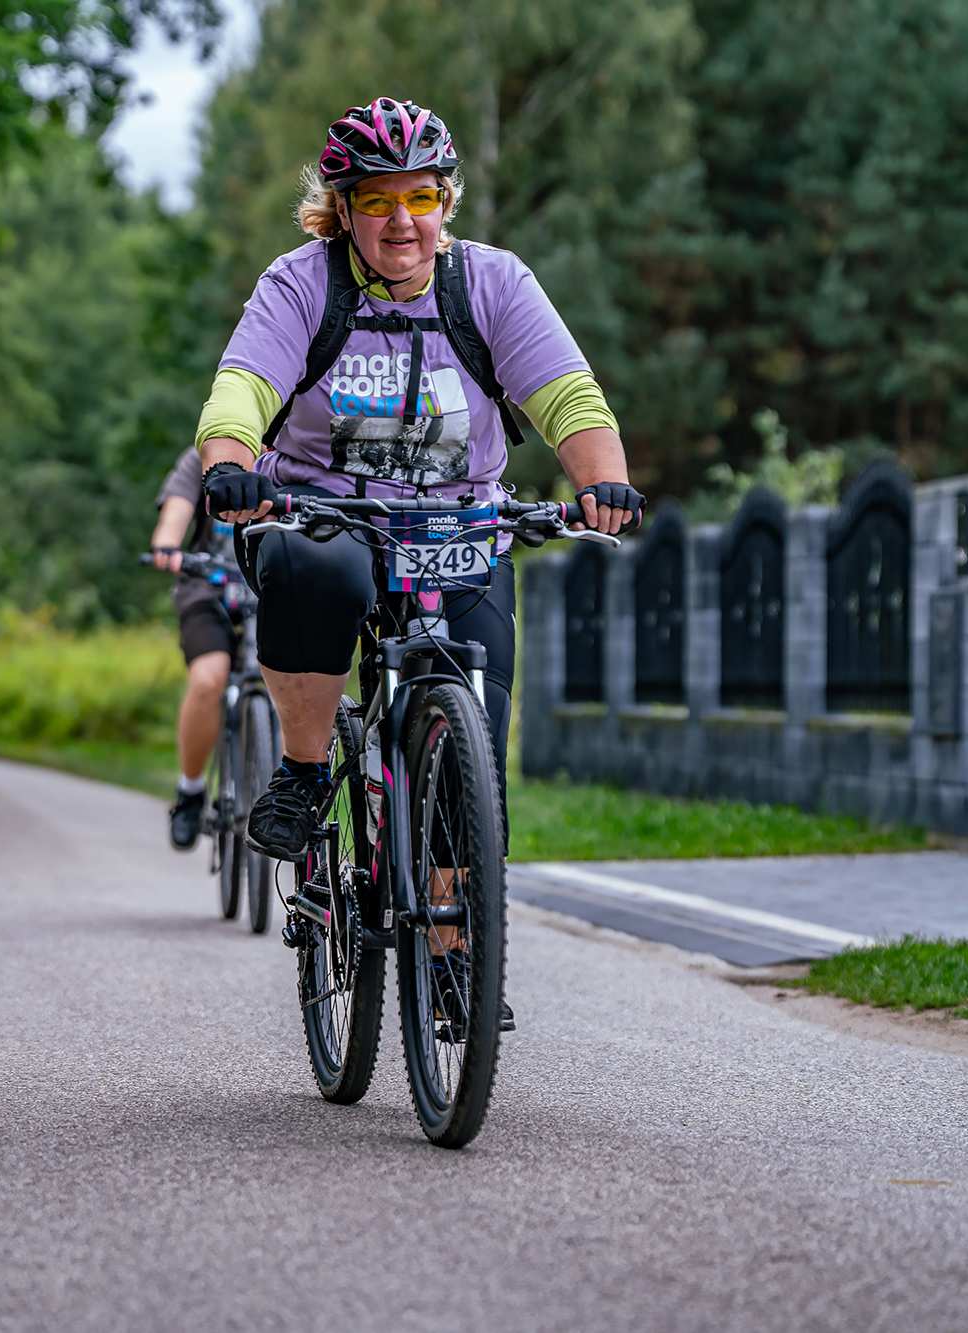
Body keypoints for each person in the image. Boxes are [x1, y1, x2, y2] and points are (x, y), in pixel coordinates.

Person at [195, 97, 647, 1026]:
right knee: (316, 576)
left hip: (459, 524)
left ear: (446, 201)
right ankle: (306, 771)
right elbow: (242, 390)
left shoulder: (491, 284)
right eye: (377, 200)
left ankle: (452, 952)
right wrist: (232, 465)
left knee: (475, 716)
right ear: (342, 209)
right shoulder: (301, 286)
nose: (402, 220)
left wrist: (604, 481)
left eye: (422, 196)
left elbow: (567, 395)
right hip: (325, 514)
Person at [149, 447, 243, 850]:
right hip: (208, 587)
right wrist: (167, 543)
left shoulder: (294, 452)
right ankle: (190, 790)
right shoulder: (202, 457)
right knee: (209, 678)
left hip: (274, 588)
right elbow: (177, 509)